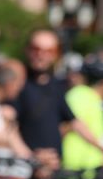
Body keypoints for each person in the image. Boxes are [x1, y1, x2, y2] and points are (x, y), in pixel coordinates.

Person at [12, 28, 80, 167]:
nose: (41, 55)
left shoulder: (56, 85)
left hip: (53, 167)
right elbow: (7, 128)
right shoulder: (17, 83)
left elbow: (74, 121)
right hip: (24, 167)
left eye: (49, 51)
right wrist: (31, 158)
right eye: (36, 49)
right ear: (27, 50)